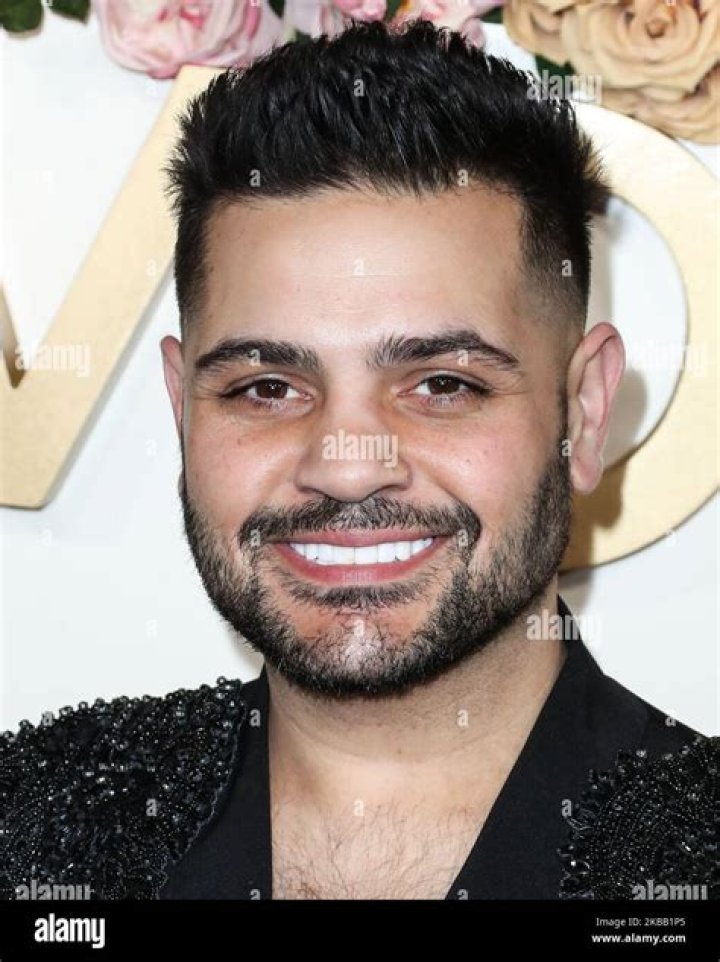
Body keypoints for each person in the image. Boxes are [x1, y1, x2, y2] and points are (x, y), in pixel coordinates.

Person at [0, 19, 715, 903]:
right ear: (183, 410)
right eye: (266, 388)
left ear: (587, 411)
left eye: (443, 385)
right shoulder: (30, 829)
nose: (345, 468)